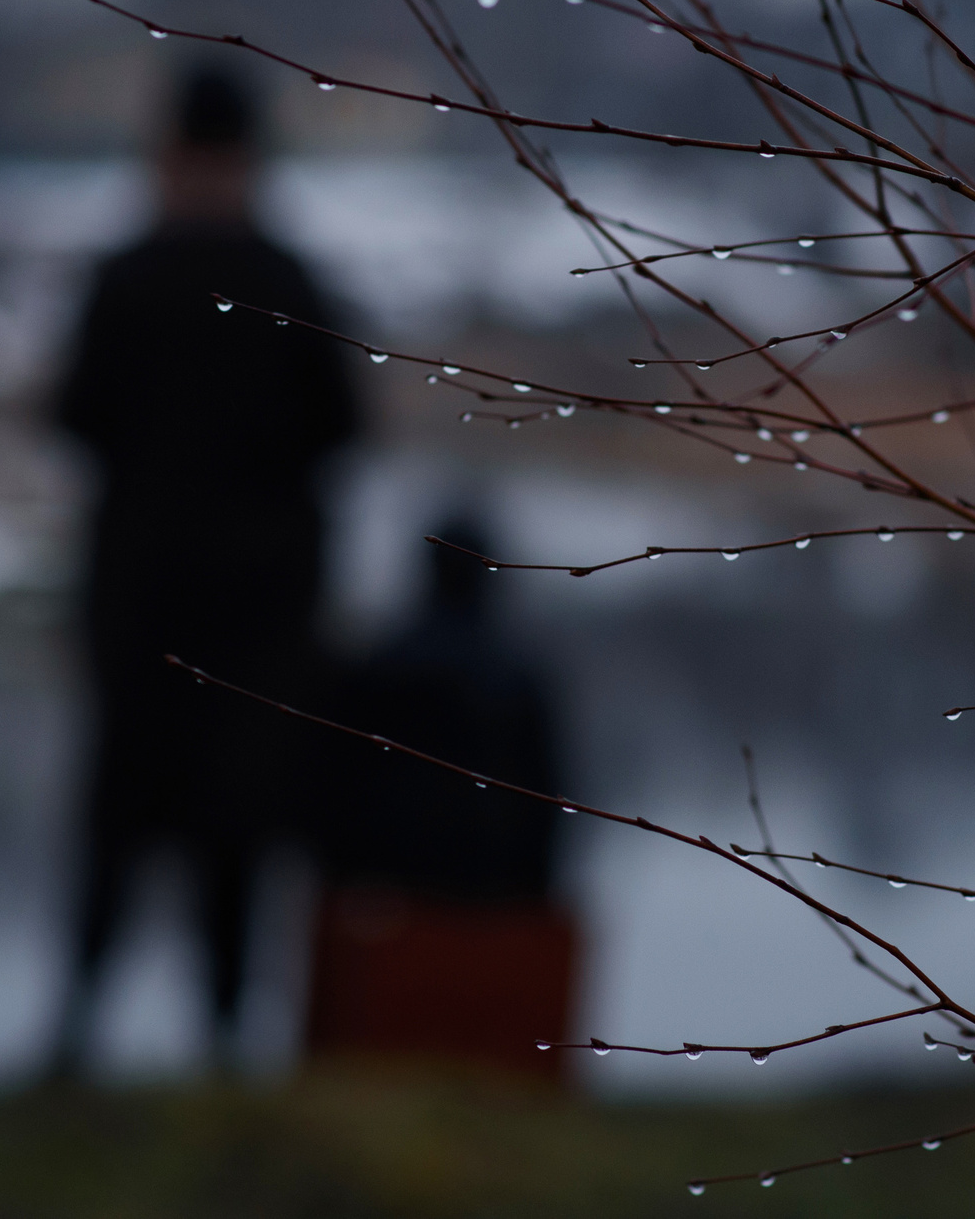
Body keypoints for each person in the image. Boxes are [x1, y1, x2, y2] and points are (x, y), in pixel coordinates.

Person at [45, 58, 359, 1078]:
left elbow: (72, 416)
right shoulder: (292, 282)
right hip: (264, 617)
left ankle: (75, 1036)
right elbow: (345, 431)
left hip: (138, 605)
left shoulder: (123, 275)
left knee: (118, 825)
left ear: (167, 155)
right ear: (254, 162)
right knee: (238, 832)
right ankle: (224, 1047)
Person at [303, 514, 576, 1083]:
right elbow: (545, 810)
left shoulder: (376, 668)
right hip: (487, 897)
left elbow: (329, 795)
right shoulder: (516, 680)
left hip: (380, 903)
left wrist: (338, 878)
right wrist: (533, 896)